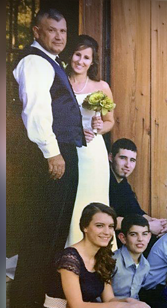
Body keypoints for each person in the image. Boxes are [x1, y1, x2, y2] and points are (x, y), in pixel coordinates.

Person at [10, 8, 85, 308]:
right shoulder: (34, 61)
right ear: (37, 32)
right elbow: (36, 110)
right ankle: (26, 300)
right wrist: (52, 152)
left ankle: (38, 296)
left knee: (54, 226)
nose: (58, 36)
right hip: (49, 153)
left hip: (59, 149)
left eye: (63, 31)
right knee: (42, 225)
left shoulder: (51, 62)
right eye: (51, 30)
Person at [43, 203, 157, 308]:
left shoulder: (102, 257)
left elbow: (109, 299)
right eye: (99, 226)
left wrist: (131, 302)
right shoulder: (69, 259)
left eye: (111, 226)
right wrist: (123, 306)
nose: (107, 232)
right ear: (85, 227)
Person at [65, 35, 115, 247]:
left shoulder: (100, 86)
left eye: (86, 57)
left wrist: (98, 128)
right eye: (78, 54)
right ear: (71, 55)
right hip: (68, 150)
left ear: (92, 62)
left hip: (93, 153)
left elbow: (110, 120)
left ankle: (98, 251)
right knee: (72, 202)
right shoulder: (60, 82)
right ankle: (70, 250)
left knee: (93, 200)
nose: (80, 61)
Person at [109, 138, 167, 255]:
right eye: (123, 158)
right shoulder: (105, 180)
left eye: (132, 160)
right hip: (111, 240)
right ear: (111, 157)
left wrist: (156, 223)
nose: (128, 165)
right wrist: (148, 226)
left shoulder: (123, 183)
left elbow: (136, 211)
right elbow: (109, 220)